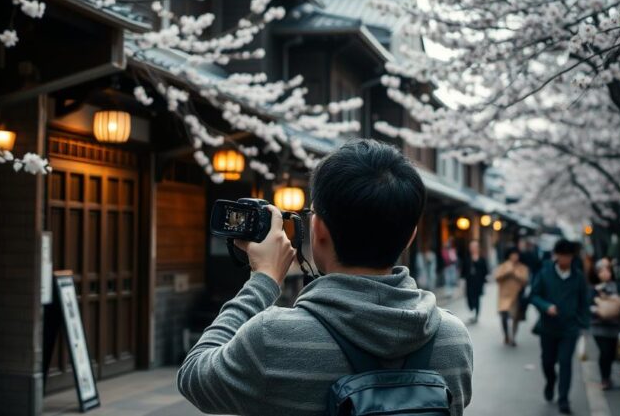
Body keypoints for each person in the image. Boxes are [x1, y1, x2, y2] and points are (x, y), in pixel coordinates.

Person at [177, 139, 474, 416]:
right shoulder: (453, 339)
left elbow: (193, 375)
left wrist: (263, 280)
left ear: (318, 230)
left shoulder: (272, 338)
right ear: (410, 236)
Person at [530, 238, 590, 415]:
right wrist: (546, 306)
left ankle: (564, 399)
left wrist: (583, 325)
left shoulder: (578, 276)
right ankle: (550, 382)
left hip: (569, 329)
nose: (565, 260)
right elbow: (534, 295)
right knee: (547, 362)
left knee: (565, 363)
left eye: (568, 256)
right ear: (556, 255)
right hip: (548, 327)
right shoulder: (545, 273)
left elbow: (583, 302)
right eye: (562, 255)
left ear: (572, 256)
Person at [589, 257, 620, 390]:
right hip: (598, 326)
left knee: (611, 353)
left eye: (607, 269)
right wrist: (598, 311)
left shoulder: (618, 286)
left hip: (615, 326)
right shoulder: (593, 288)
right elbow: (588, 305)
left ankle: (608, 376)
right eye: (601, 270)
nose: (605, 273)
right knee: (604, 352)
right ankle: (605, 378)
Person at [495, 247, 530, 346]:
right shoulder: (503, 266)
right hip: (504, 296)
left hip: (516, 296)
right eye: (512, 254)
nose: (514, 257)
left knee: (515, 318)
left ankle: (513, 337)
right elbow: (497, 278)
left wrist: (515, 274)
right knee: (504, 317)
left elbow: (525, 281)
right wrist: (507, 272)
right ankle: (506, 335)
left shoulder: (522, 268)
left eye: (516, 254)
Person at [462, 239, 489, 324]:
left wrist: (484, 278)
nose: (472, 248)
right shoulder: (467, 258)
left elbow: (485, 270)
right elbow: (464, 270)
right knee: (469, 297)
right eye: (471, 247)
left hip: (478, 282)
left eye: (474, 246)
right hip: (469, 281)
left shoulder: (481, 258)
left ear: (478, 248)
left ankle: (476, 315)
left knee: (477, 298)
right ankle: (471, 307)